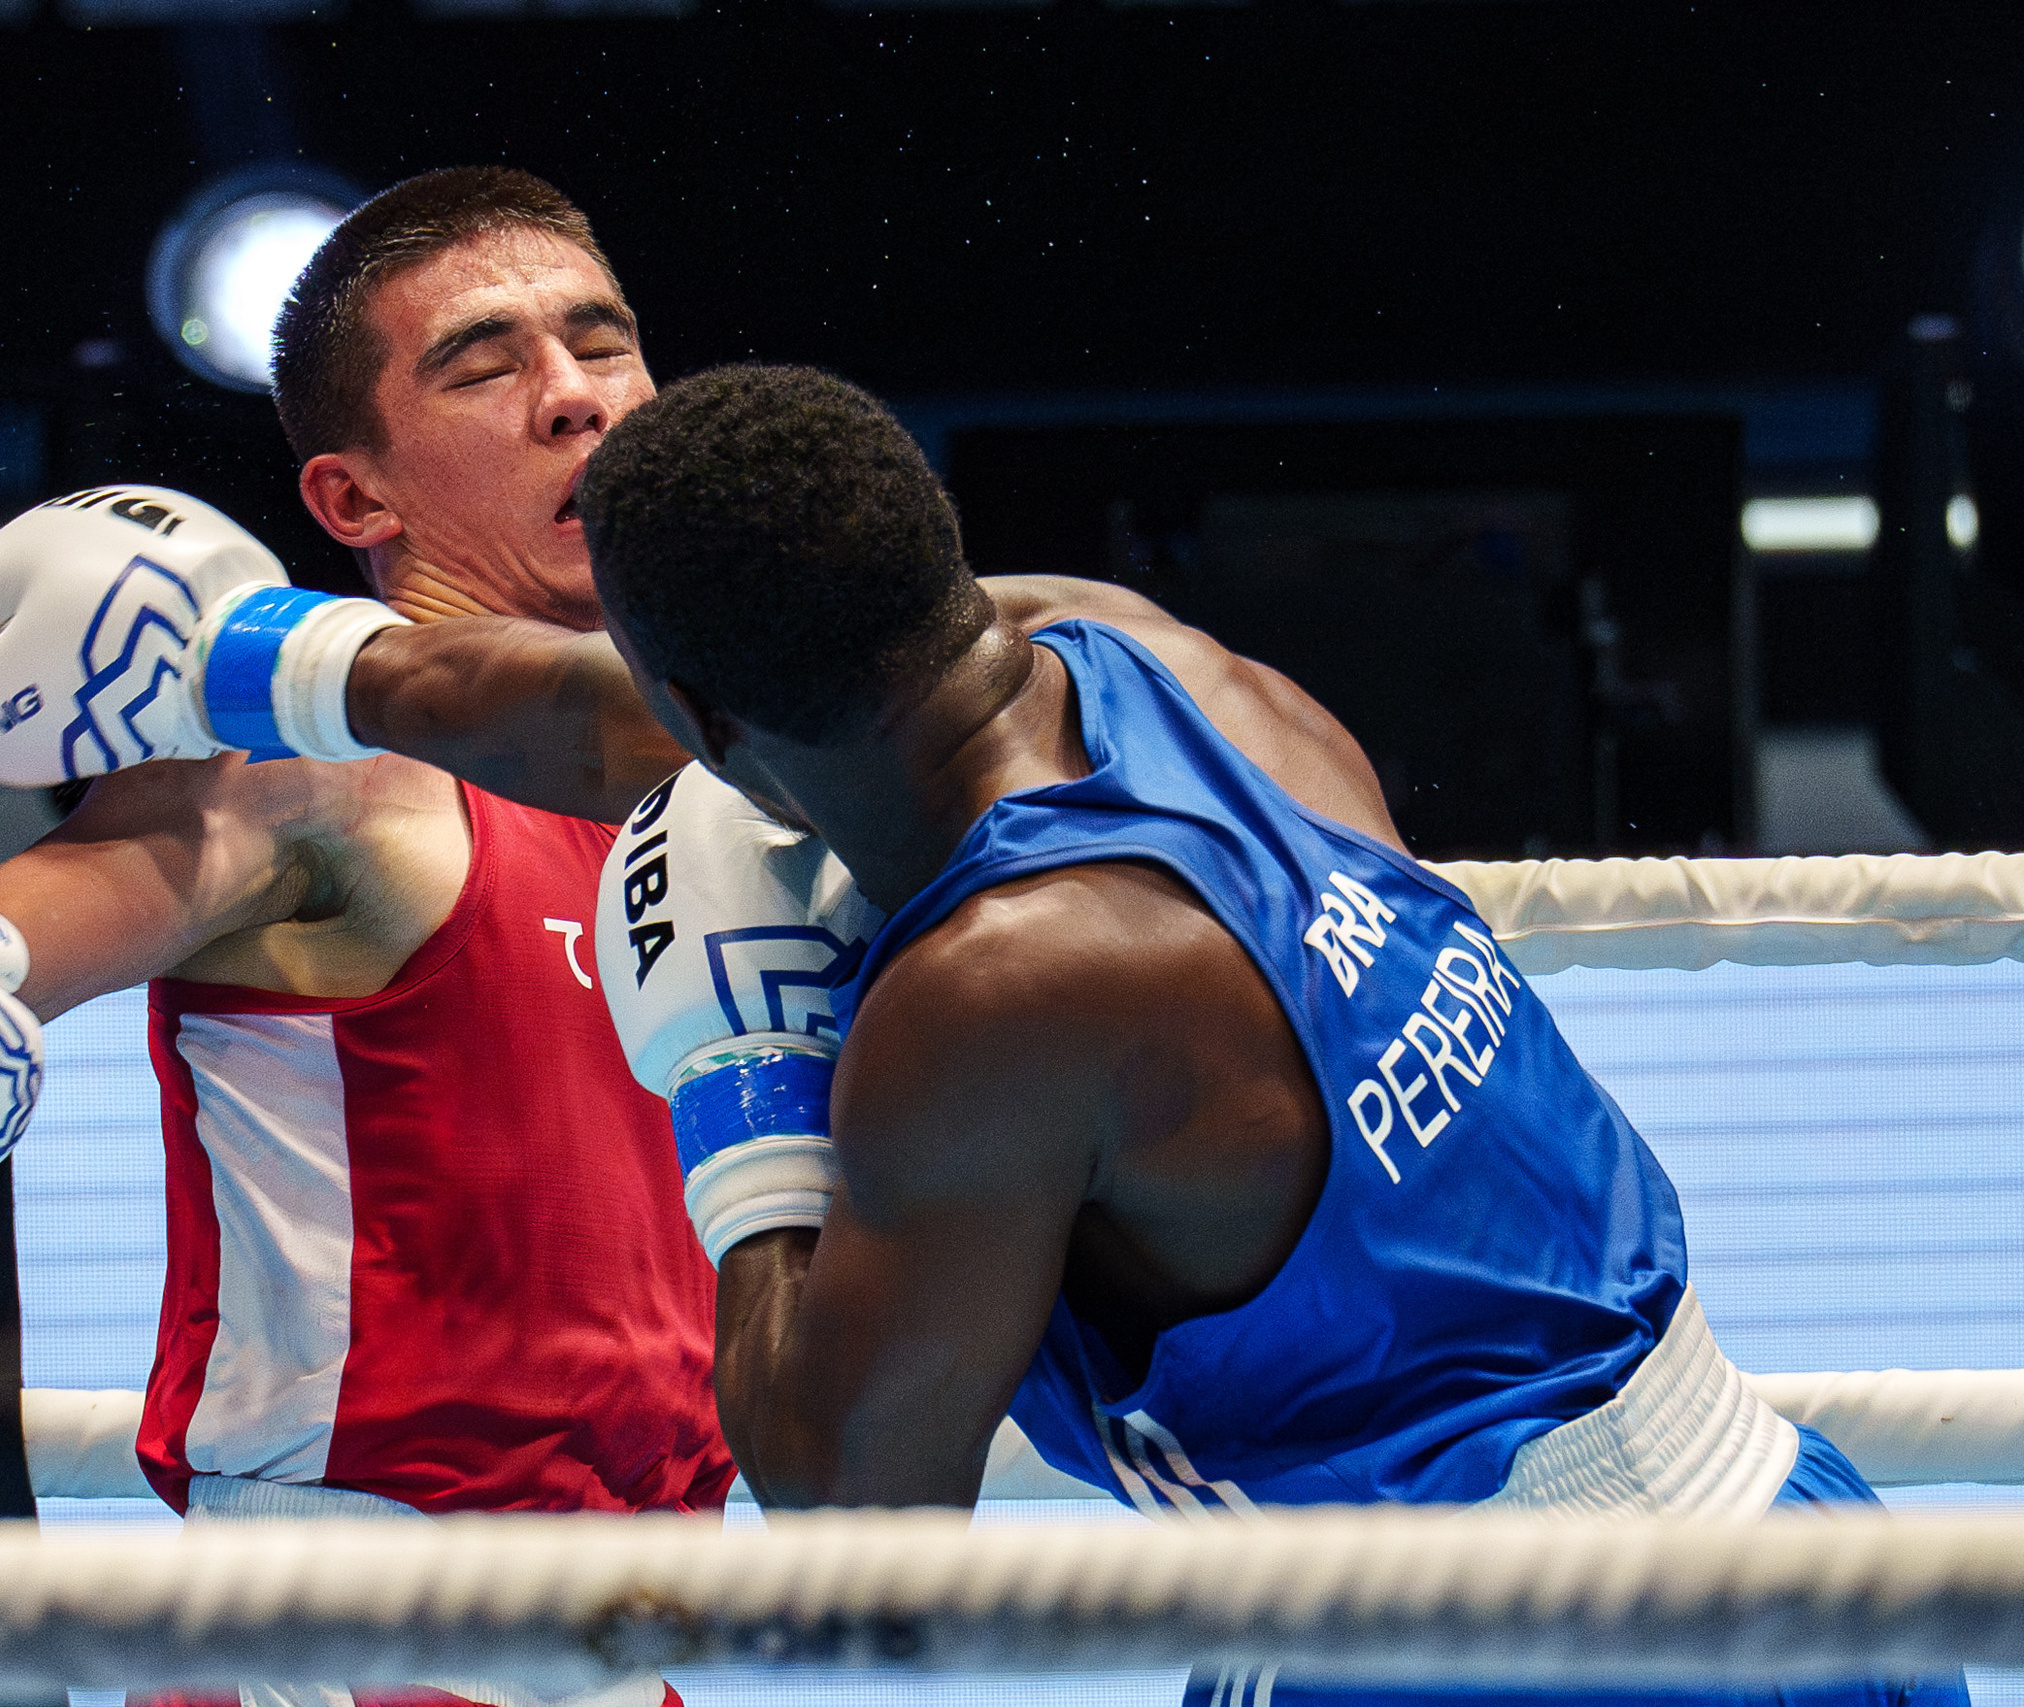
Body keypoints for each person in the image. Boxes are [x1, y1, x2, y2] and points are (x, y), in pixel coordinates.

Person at [558, 363, 1965, 1707]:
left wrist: (738, 1075)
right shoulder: (1188, 678)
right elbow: (541, 708)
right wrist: (328, 657)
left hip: (1477, 1644)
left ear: (696, 719)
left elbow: (855, 1563)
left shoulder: (996, 990)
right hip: (1811, 1546)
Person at [0, 168, 725, 1707]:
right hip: (352, 1633)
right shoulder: (321, 786)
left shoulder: (732, 799)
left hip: (639, 1635)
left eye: (604, 344)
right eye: (486, 364)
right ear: (352, 501)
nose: (575, 400)